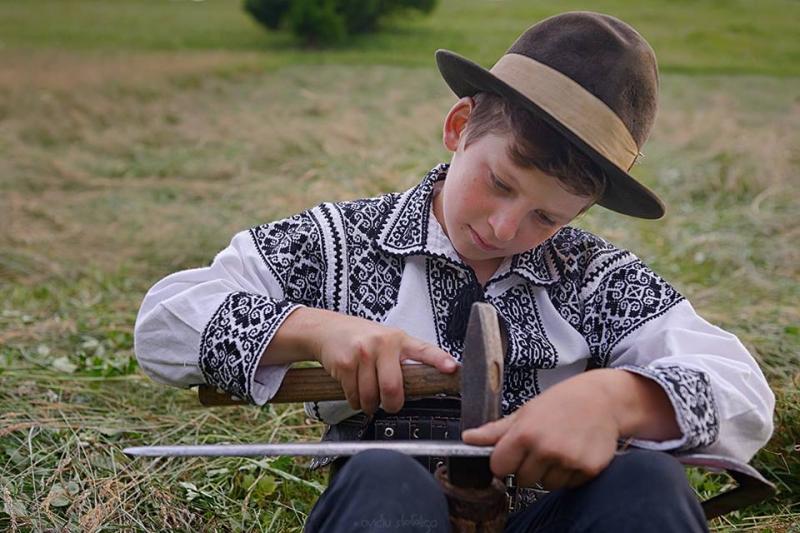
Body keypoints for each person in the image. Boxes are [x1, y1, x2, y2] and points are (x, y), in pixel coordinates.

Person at [133, 11, 774, 532]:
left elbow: (742, 391)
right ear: (460, 126)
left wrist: (618, 400)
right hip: (388, 516)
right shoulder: (339, 242)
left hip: (543, 520)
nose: (503, 229)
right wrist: (312, 330)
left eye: (547, 217)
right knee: (381, 478)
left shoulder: (595, 279)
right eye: (498, 183)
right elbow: (164, 323)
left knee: (647, 484)